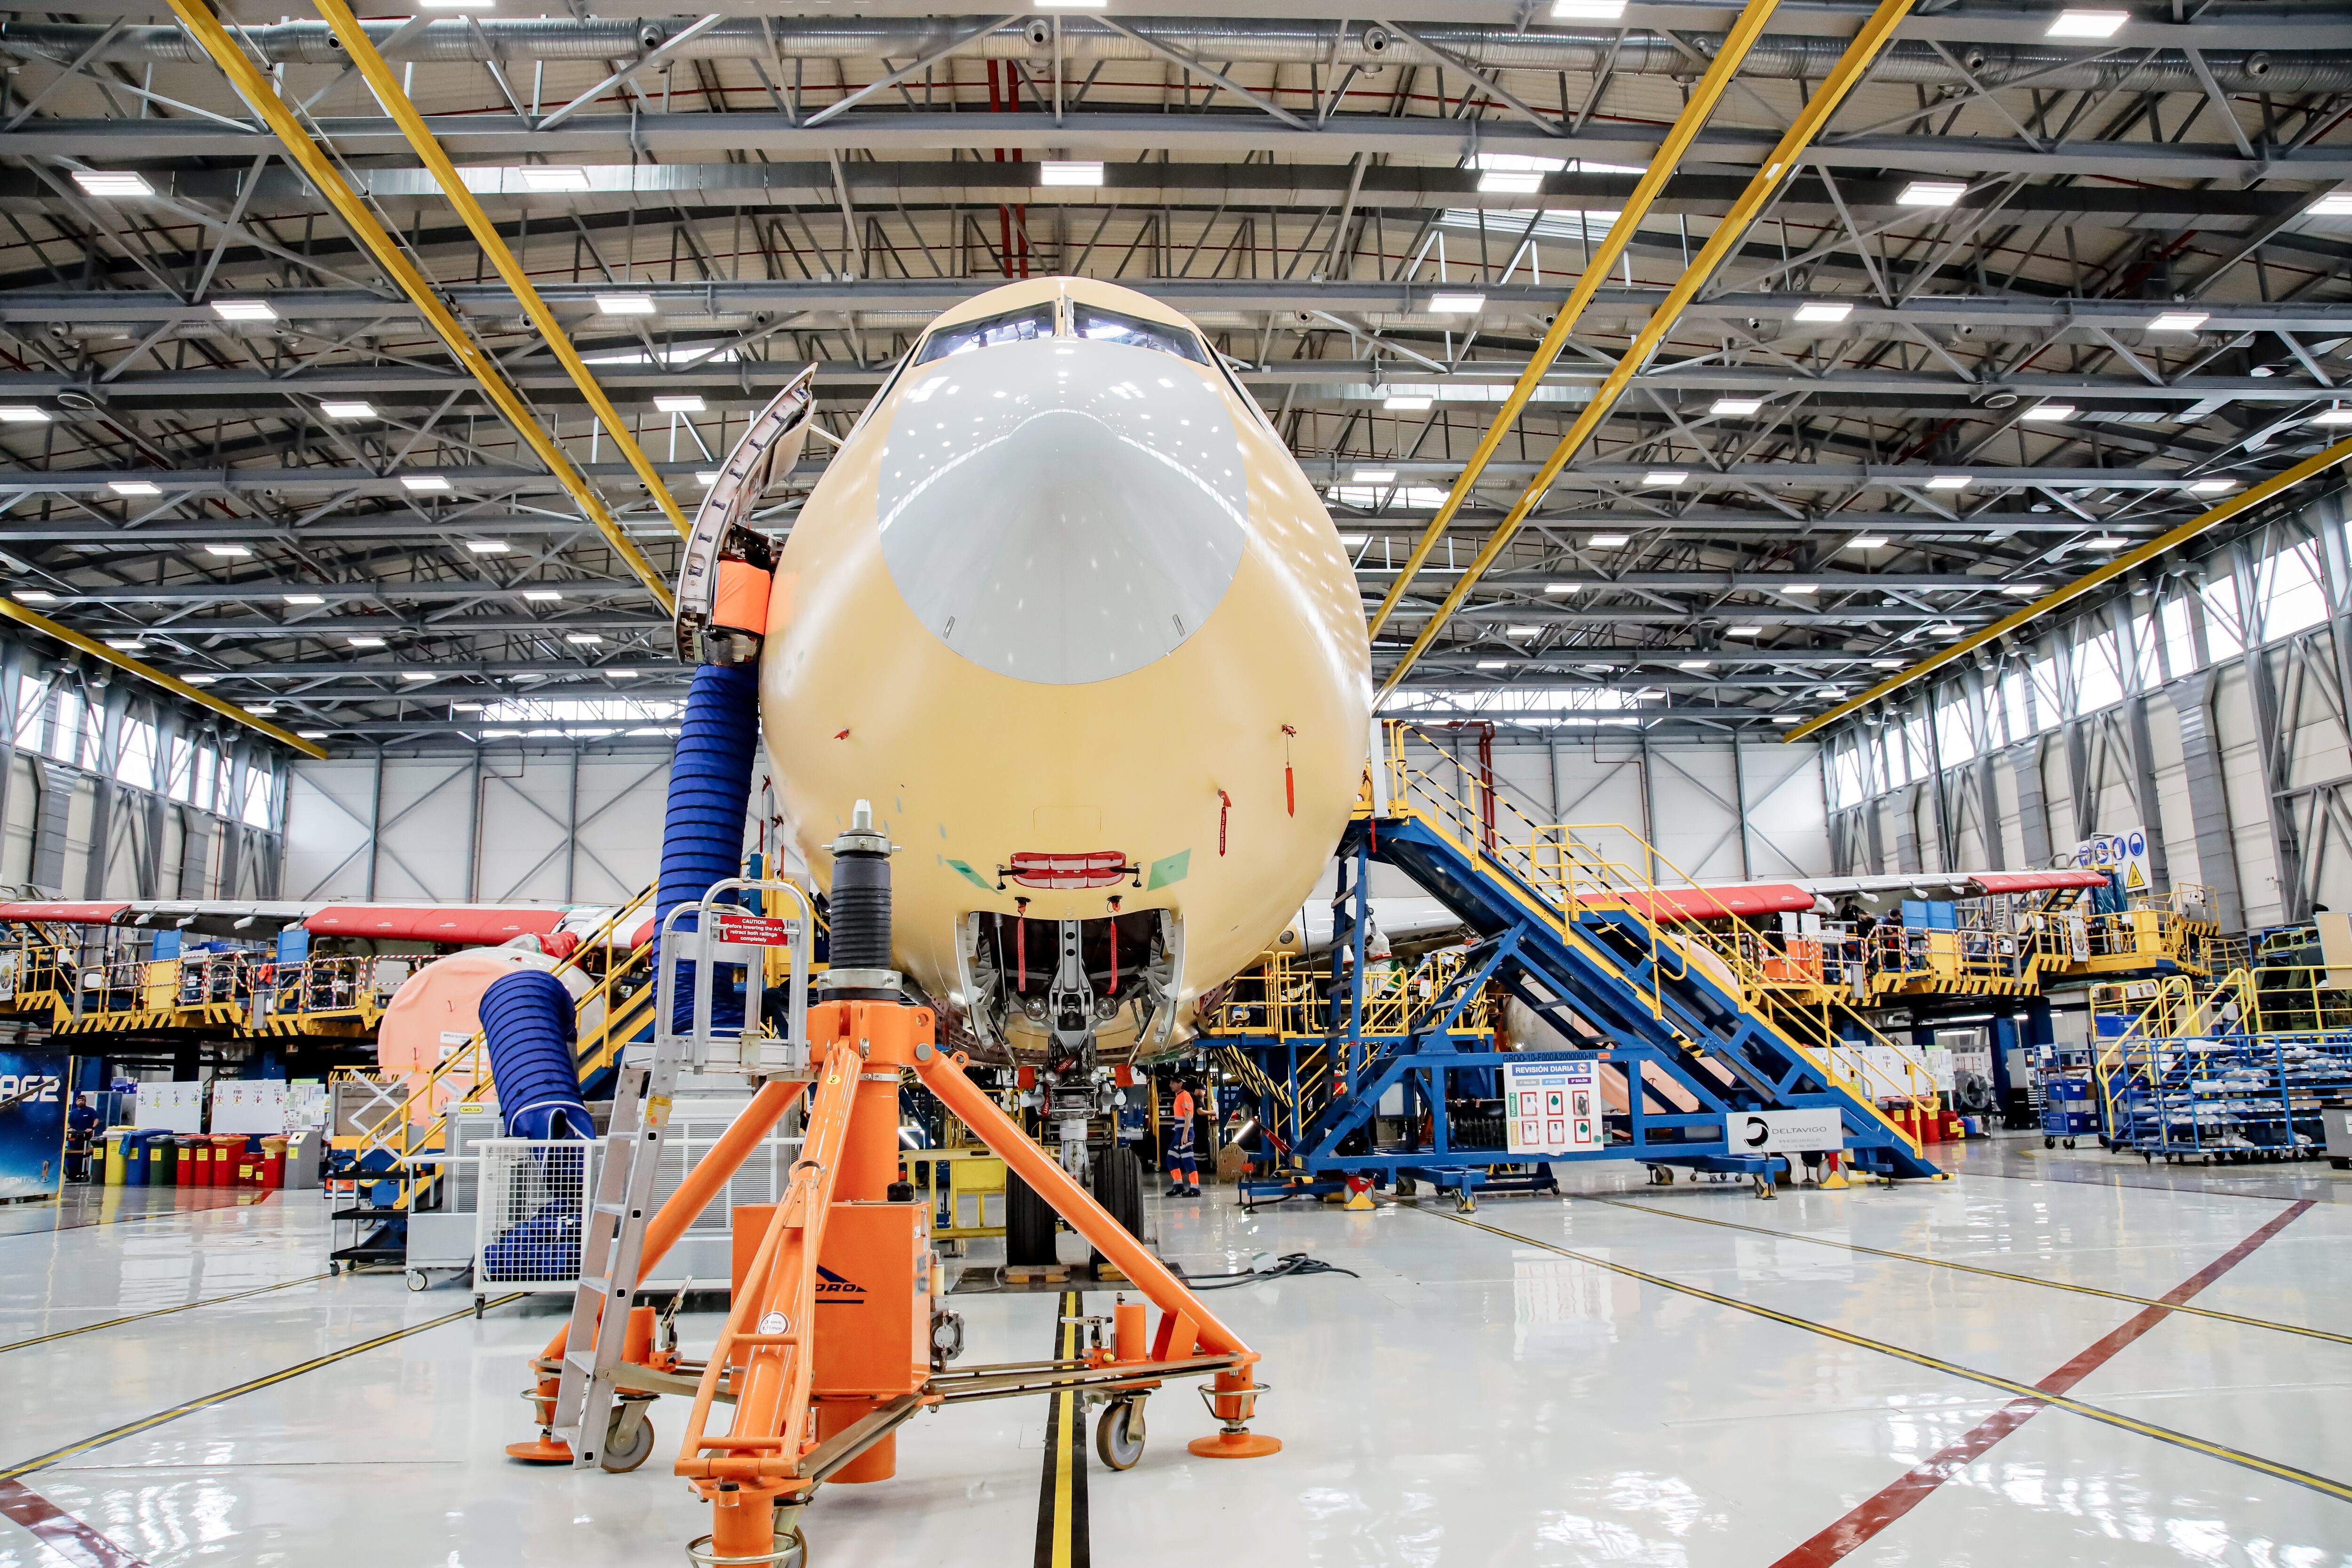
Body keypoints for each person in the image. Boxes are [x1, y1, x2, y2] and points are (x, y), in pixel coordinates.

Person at [1165, 1077, 1200, 1198]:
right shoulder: (1179, 1096)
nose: (1171, 1085)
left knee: (1188, 1160)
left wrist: (1185, 1134)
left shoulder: (1185, 1096)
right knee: (1171, 1158)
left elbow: (1188, 1116)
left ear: (1181, 1084)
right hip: (1179, 1133)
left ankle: (1195, 1188)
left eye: (1173, 1082)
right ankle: (1178, 1185)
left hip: (1185, 1133)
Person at [65, 1093, 99, 1183]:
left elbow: (96, 1120)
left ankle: (82, 1173)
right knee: (72, 1155)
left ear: (85, 1102)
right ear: (76, 1102)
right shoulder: (73, 1113)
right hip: (74, 1137)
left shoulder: (90, 1111)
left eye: (83, 1100)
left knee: (83, 1155)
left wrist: (92, 1128)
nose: (81, 1102)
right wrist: (70, 1129)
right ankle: (71, 1174)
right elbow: (68, 1122)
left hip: (85, 1136)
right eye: (79, 1100)